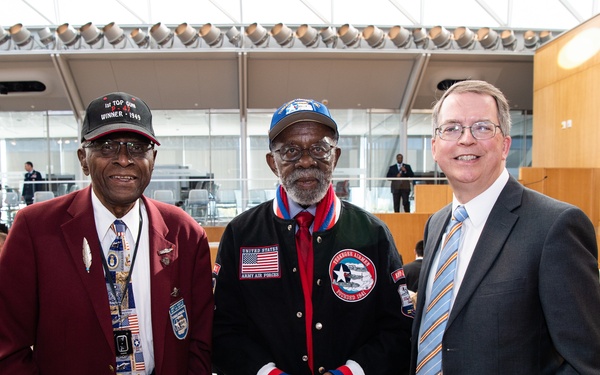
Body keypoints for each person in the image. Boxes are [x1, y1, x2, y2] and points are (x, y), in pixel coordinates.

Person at [0, 92, 214, 374]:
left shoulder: (184, 233)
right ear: (83, 158)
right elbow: (8, 346)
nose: (124, 160)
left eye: (138, 148)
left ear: (153, 158)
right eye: (107, 147)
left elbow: (201, 339)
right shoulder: (34, 228)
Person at [410, 80, 600, 374]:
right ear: (435, 147)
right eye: (452, 128)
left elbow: (585, 362)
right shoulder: (437, 224)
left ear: (505, 145)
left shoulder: (555, 227)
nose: (466, 139)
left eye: (483, 127)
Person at [212, 98, 414, 375]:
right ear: (273, 162)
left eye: (319, 148)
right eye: (291, 151)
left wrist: (351, 372)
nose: (306, 161)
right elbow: (223, 328)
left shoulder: (373, 233)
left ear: (336, 156)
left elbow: (398, 328)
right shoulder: (241, 234)